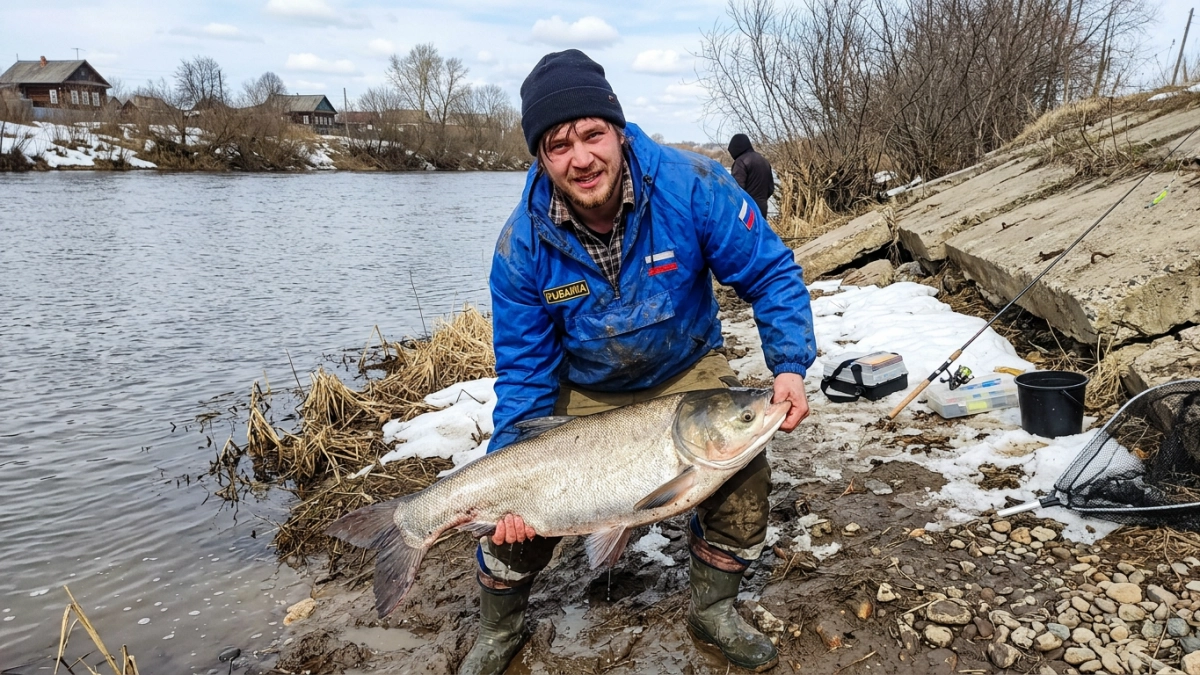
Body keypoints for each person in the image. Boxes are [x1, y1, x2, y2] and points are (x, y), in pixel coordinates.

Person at [460, 49, 816, 675]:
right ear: (541, 158)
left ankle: (712, 611)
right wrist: (510, 466)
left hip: (684, 367)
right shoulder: (521, 246)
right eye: (558, 145)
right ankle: (498, 629)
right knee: (521, 510)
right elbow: (524, 373)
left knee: (743, 478)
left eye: (592, 134)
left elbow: (770, 273)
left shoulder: (693, 185)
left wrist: (789, 364)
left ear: (619, 132)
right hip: (587, 386)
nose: (581, 158)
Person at [728, 133, 775, 217]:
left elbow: (737, 189)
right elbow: (770, 188)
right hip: (762, 208)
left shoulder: (741, 162)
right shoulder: (764, 160)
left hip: (747, 209)